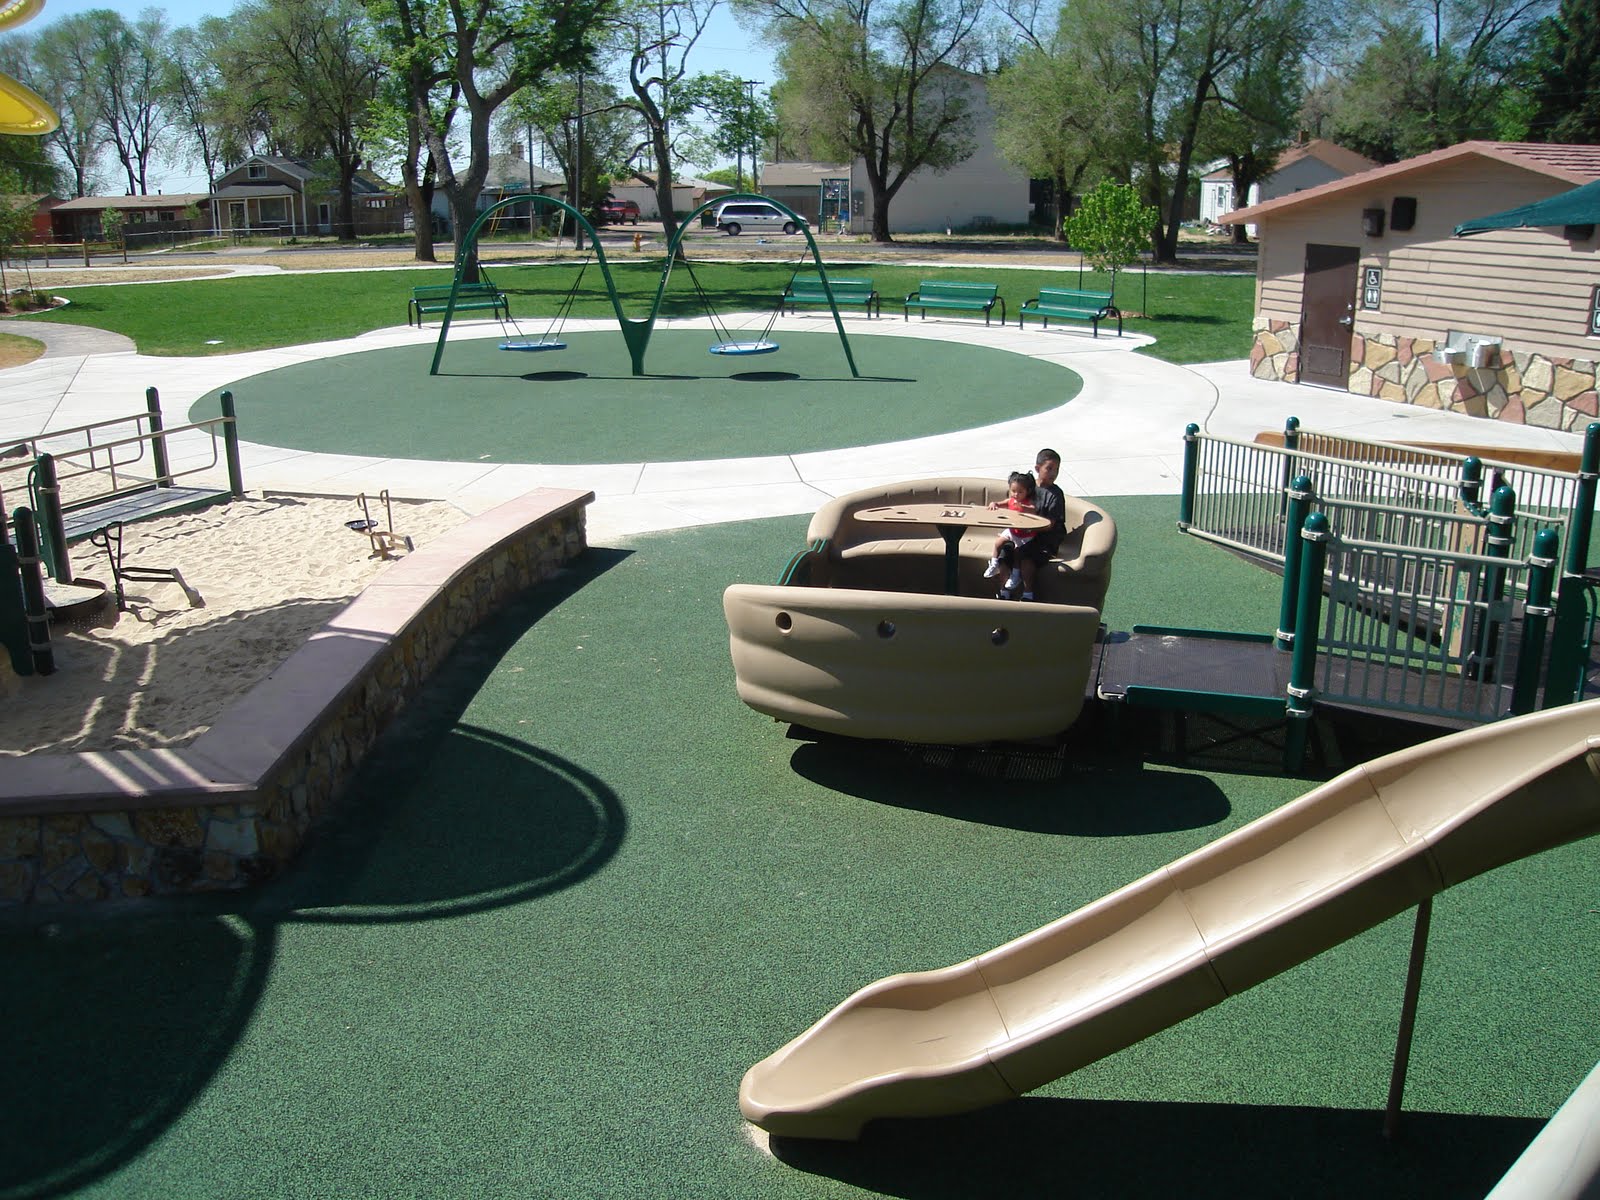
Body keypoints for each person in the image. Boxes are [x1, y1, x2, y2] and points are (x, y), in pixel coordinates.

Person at [1014, 448, 1066, 601]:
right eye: (1049, 468)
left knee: (1026, 552)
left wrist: (1029, 529)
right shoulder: (1027, 488)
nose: (1053, 473)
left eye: (1056, 469)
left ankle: (1028, 594)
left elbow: (1050, 525)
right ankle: (1004, 592)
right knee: (1005, 549)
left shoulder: (1055, 495)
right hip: (1023, 533)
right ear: (1037, 468)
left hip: (1046, 539)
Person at [983, 470, 1038, 595]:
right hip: (1012, 531)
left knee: (1018, 552)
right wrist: (994, 504)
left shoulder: (1027, 503)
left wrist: (1024, 508)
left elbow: (1034, 510)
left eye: (1020, 492)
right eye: (1013, 491)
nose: (1016, 494)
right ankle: (994, 564)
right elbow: (1000, 503)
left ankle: (1016, 574)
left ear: (1027, 491)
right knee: (998, 543)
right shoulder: (1011, 501)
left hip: (1025, 535)